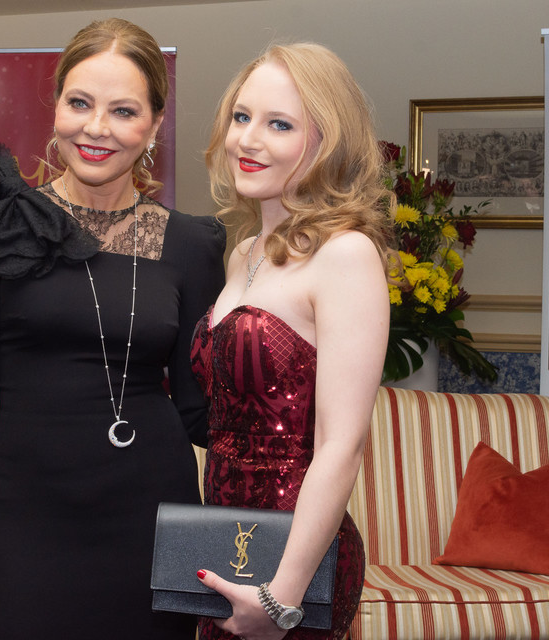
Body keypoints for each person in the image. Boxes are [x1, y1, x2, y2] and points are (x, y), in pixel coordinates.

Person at [0, 18, 226, 640]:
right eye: (80, 103)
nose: (96, 127)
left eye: (123, 110)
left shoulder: (192, 245)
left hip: (154, 515)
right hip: (30, 517)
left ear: (155, 125)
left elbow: (201, 412)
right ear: (55, 107)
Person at [190, 43, 392, 640]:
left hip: (292, 568)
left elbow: (341, 445)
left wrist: (281, 597)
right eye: (241, 116)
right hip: (226, 547)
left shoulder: (346, 253)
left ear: (327, 142)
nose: (248, 140)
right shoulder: (243, 253)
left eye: (279, 124)